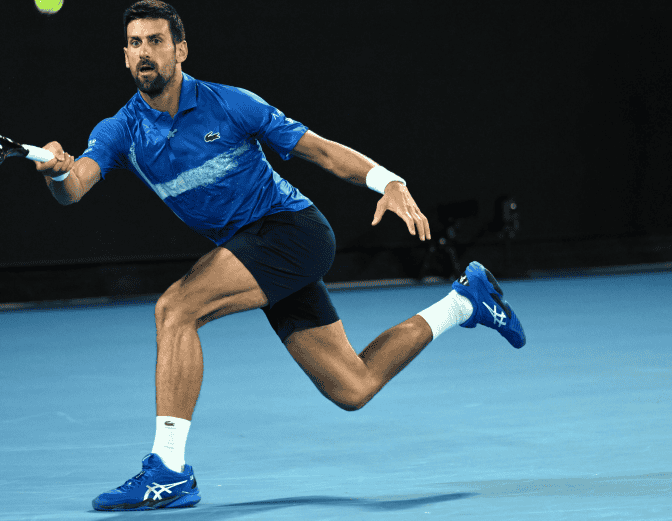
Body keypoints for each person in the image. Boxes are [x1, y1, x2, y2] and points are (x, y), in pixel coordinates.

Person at [34, 0, 526, 511]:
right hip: (252, 253)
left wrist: (389, 180)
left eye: (156, 41)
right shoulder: (120, 130)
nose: (145, 54)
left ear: (180, 49)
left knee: (176, 309)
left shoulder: (229, 104)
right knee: (352, 386)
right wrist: (56, 173)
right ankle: (466, 302)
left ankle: (169, 470)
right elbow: (75, 186)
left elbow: (323, 151)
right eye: (135, 44)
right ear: (125, 55)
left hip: (292, 232)